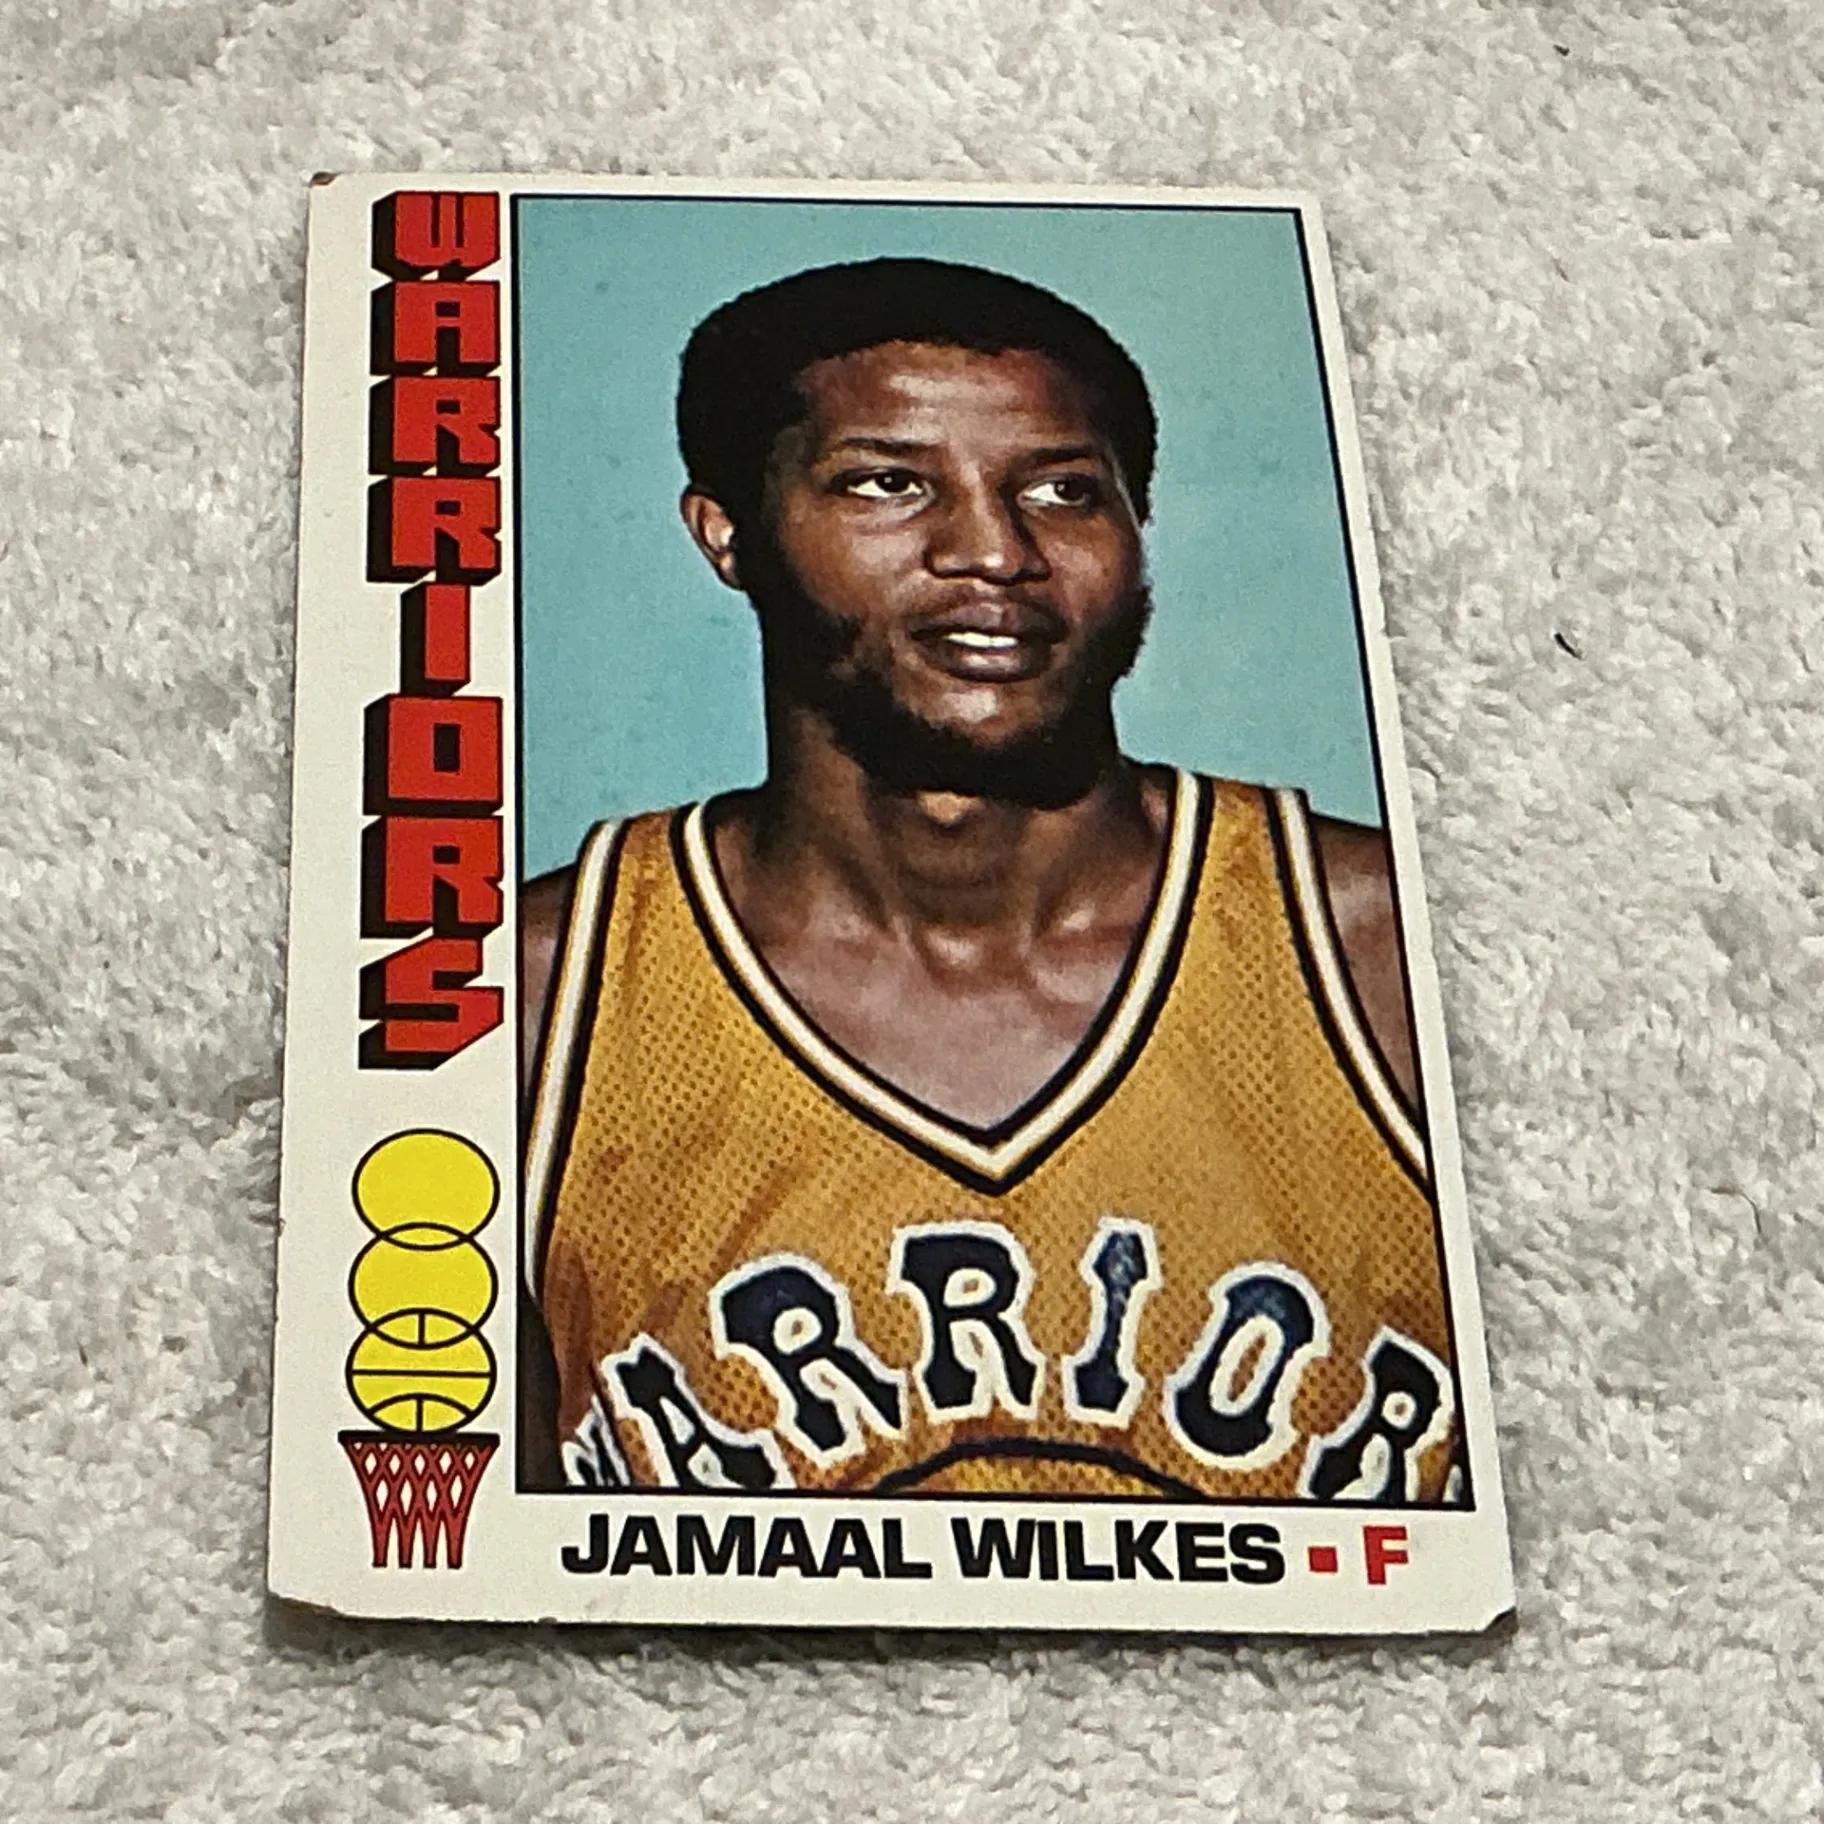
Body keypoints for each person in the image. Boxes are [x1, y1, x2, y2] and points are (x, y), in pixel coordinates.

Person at [519, 258, 1461, 1503]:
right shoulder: (535, 1002)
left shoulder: (1387, 953)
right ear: (727, 534)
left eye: (1063, 491)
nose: (994, 552)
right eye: (888, 483)